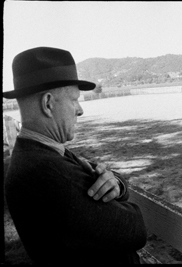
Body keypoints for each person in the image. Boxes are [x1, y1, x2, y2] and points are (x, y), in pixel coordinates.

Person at [3, 47, 148, 264]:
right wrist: (124, 200)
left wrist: (117, 183)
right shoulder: (46, 170)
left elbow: (110, 180)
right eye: (74, 99)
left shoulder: (39, 153)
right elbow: (136, 228)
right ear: (48, 104)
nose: (80, 110)